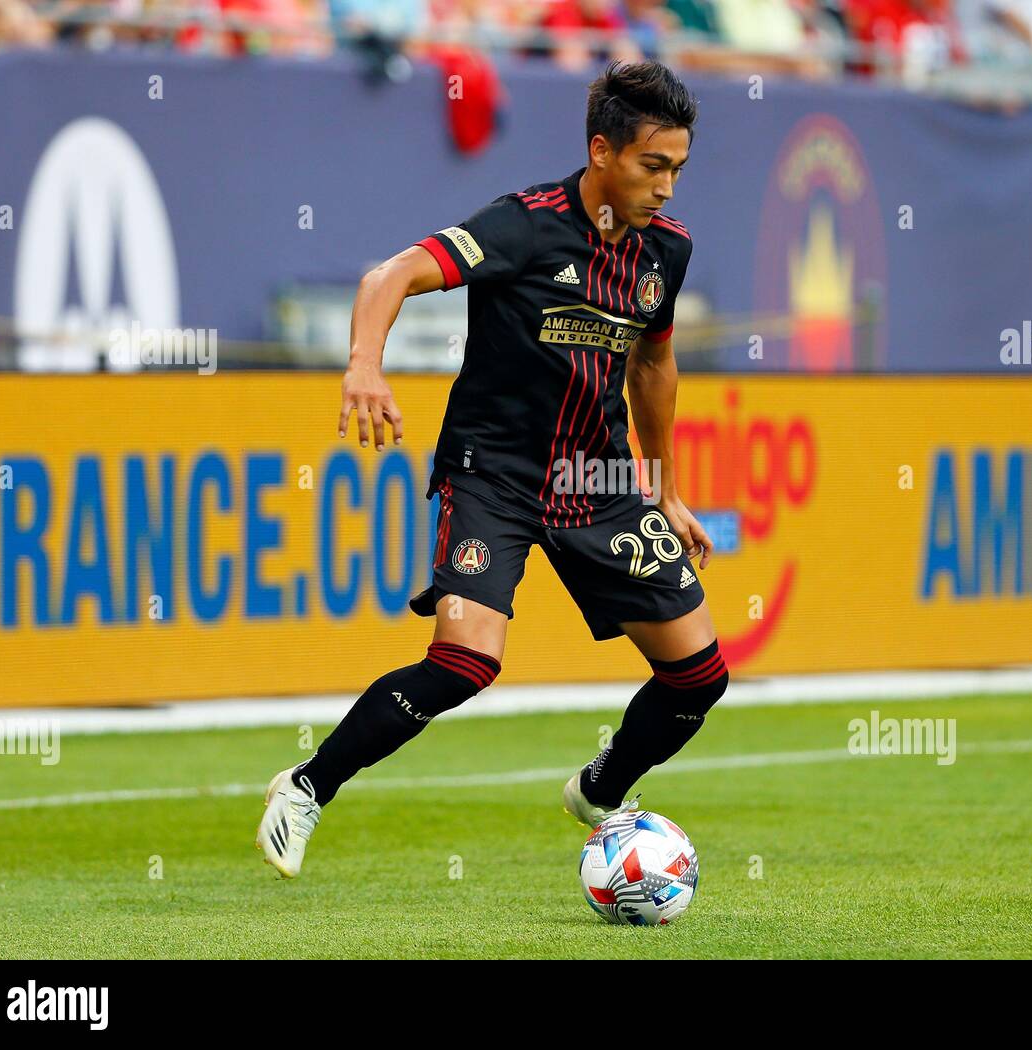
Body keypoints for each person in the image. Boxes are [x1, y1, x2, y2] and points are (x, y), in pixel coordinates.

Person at [256, 60, 728, 879]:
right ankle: (306, 786)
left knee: (699, 675)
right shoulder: (524, 224)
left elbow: (654, 368)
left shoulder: (666, 252)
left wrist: (666, 489)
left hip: (597, 486)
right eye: (655, 167)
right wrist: (364, 365)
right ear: (602, 151)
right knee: (466, 662)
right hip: (494, 478)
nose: (669, 188)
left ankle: (600, 787)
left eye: (680, 170)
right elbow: (390, 274)